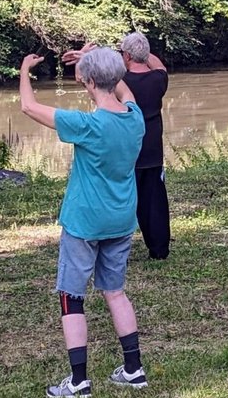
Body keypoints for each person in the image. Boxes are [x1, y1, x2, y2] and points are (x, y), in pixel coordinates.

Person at [19, 47, 149, 398]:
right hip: (122, 219)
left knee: (71, 297)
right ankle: (134, 370)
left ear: (89, 82)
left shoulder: (88, 125)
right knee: (115, 292)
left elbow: (29, 107)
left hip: (85, 223)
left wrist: (24, 70)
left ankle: (78, 382)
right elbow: (125, 92)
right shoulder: (134, 117)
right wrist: (96, 63)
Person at [65, 33, 171, 259]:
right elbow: (157, 64)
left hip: (126, 150)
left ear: (127, 55)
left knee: (121, 198)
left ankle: (111, 243)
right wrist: (141, 48)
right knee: (155, 202)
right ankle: (159, 250)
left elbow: (85, 79)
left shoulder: (120, 84)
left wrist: (92, 56)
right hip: (153, 152)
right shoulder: (159, 79)